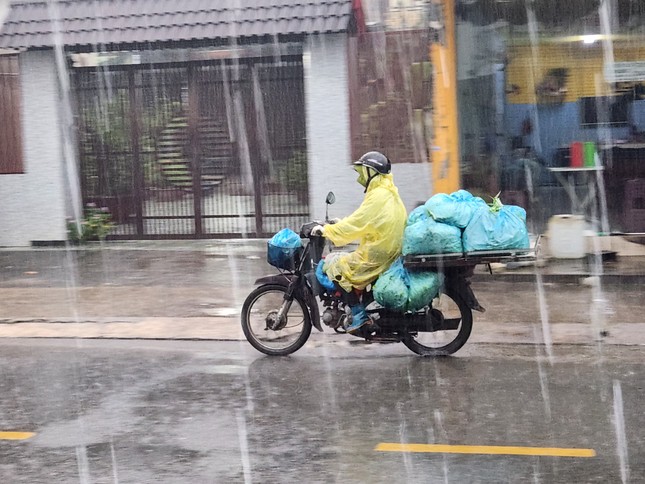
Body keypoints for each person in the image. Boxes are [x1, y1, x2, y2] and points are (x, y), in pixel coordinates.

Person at [312, 151, 407, 333]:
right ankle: (357, 306)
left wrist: (327, 230)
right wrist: (340, 224)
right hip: (387, 249)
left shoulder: (378, 195)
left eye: (363, 172)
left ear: (372, 172)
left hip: (379, 253)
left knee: (335, 266)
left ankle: (358, 315)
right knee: (343, 262)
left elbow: (358, 222)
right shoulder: (387, 192)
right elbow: (363, 221)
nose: (361, 177)